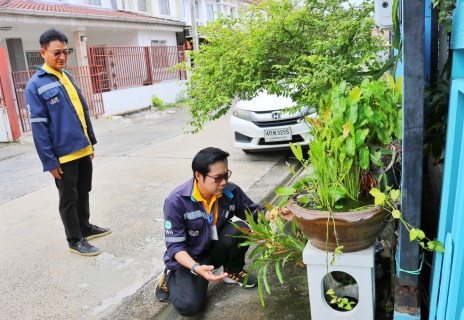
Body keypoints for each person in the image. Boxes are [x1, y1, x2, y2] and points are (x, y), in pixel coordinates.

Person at [155, 147, 292, 316]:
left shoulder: (230, 192)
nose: (224, 182)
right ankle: (169, 275)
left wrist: (279, 212)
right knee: (189, 307)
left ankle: (232, 271)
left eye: (226, 175)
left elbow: (253, 212)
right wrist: (197, 268)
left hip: (212, 247)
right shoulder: (177, 202)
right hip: (190, 259)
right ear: (199, 176)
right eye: (217, 178)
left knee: (243, 226)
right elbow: (175, 248)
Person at [25, 28, 111, 256]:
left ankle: (85, 227)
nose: (62, 57)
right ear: (43, 53)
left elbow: (80, 112)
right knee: (68, 199)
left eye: (65, 52)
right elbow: (39, 127)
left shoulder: (67, 76)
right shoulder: (35, 85)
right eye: (56, 53)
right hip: (63, 155)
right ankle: (75, 239)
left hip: (82, 149)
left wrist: (89, 143)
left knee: (84, 190)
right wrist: (49, 161)